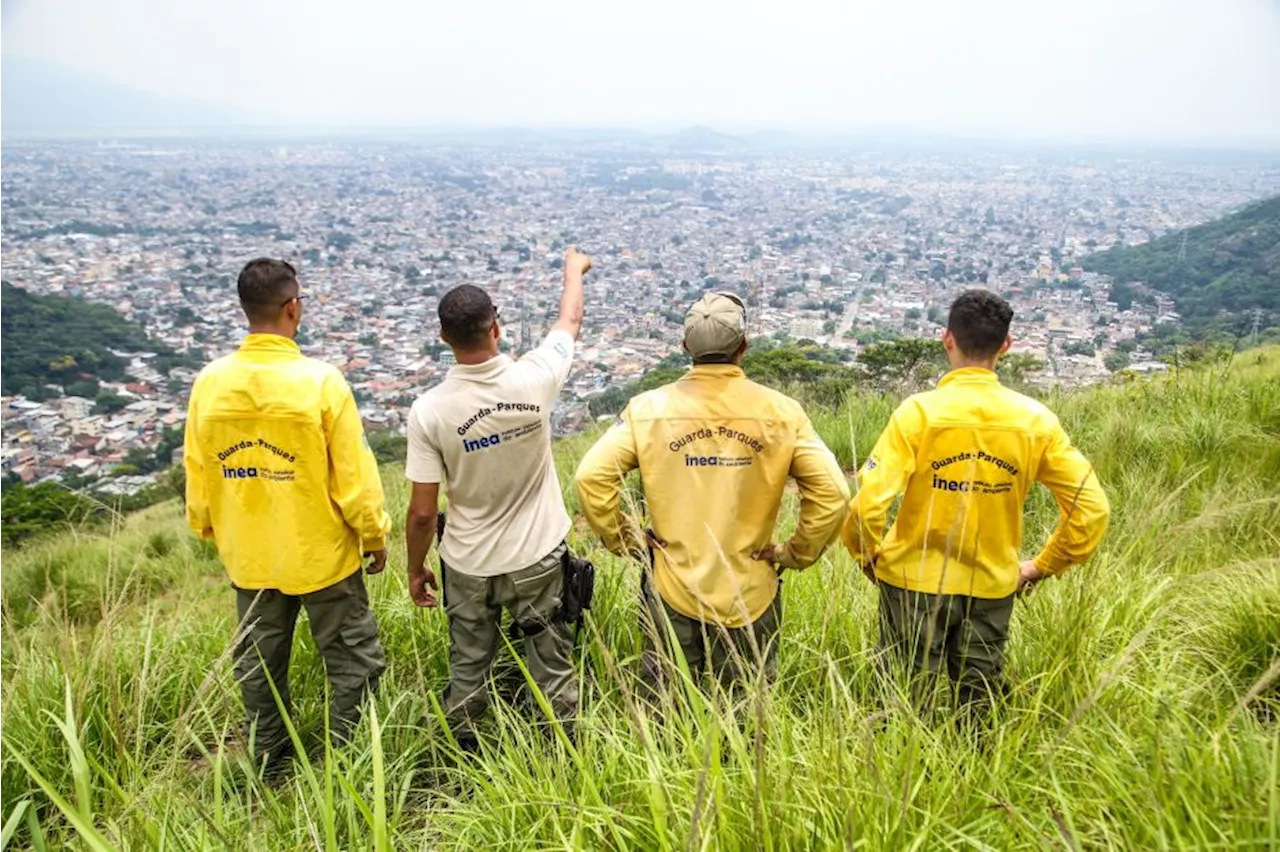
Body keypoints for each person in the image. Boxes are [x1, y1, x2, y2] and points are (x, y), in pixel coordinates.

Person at [842, 289, 1110, 723]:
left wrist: (868, 555)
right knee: (978, 702)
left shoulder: (918, 414)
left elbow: (866, 505)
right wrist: (1041, 565)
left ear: (947, 339)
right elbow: (1091, 509)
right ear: (1007, 345)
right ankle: (976, 778)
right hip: (991, 583)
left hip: (911, 581)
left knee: (906, 703)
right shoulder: (1035, 421)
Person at [574, 292, 850, 694]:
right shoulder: (781, 412)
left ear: (686, 347)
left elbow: (590, 477)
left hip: (671, 584)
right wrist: (794, 553)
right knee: (744, 714)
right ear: (744, 345)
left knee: (666, 715)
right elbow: (834, 493)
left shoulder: (649, 408)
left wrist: (630, 542)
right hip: (750, 588)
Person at [184, 258, 391, 778]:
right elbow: (354, 479)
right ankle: (349, 765)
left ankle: (270, 766)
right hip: (323, 556)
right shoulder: (320, 383)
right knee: (351, 664)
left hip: (249, 559)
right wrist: (374, 535)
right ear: (293, 307)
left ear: (245, 310)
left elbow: (198, 473)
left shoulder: (209, 384)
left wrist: (213, 528)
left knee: (259, 672)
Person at [403, 248, 592, 748]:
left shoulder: (430, 412)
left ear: (444, 339)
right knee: (552, 664)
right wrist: (573, 270)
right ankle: (562, 755)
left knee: (468, 668)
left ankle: (464, 759)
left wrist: (415, 568)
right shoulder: (536, 378)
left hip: (468, 563)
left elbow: (423, 512)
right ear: (497, 328)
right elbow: (569, 320)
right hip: (537, 555)